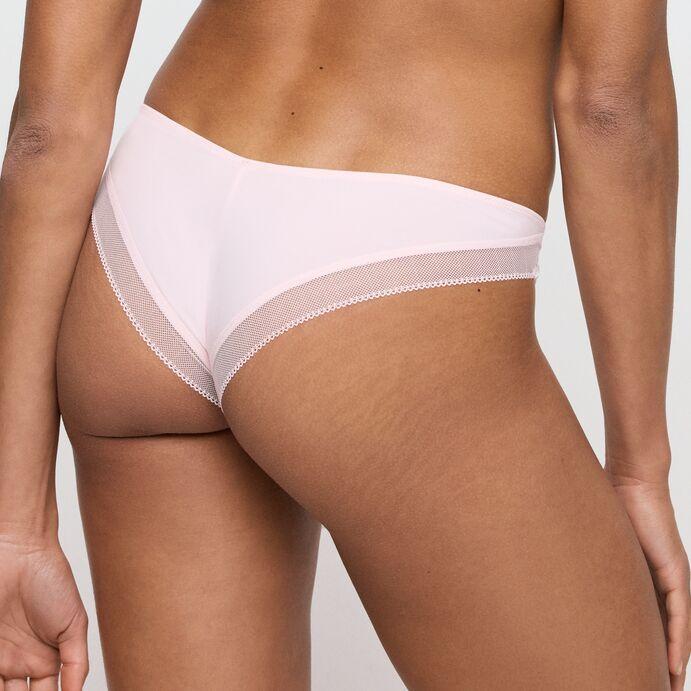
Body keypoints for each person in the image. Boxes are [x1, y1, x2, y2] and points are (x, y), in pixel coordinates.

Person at [0, 0, 689, 689]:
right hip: (387, 249)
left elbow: (46, 130)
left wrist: (16, 527)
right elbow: (609, 107)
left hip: (149, 232)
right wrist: (639, 467)